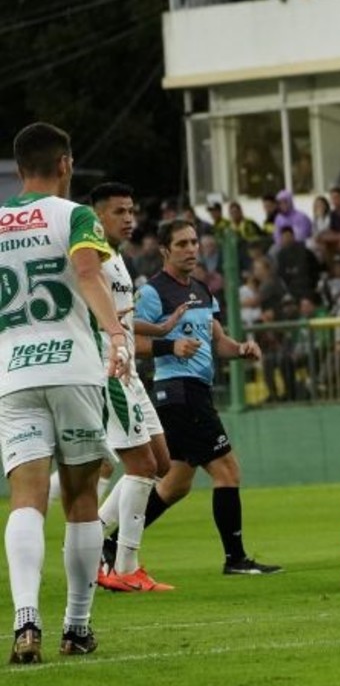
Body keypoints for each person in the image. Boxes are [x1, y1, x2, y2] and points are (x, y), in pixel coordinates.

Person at [3, 124, 134, 663]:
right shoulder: (74, 215)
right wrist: (118, 333)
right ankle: (75, 627)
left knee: (26, 499)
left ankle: (24, 618)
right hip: (74, 368)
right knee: (81, 501)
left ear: (19, 167)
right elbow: (87, 274)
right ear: (65, 164)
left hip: (13, 374)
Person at [103, 219, 280, 576]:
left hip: (194, 390)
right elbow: (129, 339)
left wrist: (242, 349)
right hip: (179, 391)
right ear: (165, 250)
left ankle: (110, 544)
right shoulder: (153, 293)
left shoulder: (202, 289)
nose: (190, 249)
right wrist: (171, 344)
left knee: (176, 484)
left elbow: (219, 341)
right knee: (228, 471)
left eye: (194, 242)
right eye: (181, 244)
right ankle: (235, 559)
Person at [88, 183, 180, 593]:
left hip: (131, 372)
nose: (129, 219)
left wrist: (155, 328)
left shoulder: (118, 259)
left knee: (162, 463)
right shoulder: (89, 257)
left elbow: (120, 314)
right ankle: (124, 565)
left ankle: (91, 543)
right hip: (109, 372)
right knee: (142, 467)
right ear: (97, 216)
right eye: (119, 212)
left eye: (131, 210)